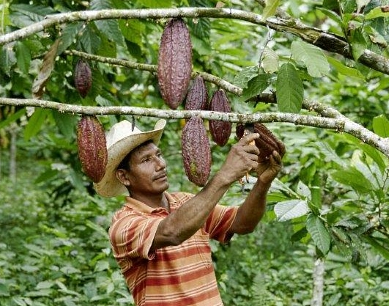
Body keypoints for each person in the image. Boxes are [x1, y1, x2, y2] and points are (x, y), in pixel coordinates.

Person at [93, 118, 283, 306]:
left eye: (158, 155)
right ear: (124, 176)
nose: (160, 164)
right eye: (146, 160)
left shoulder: (186, 203)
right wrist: (226, 174)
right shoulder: (124, 225)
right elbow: (173, 231)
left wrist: (263, 182)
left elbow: (243, 223)